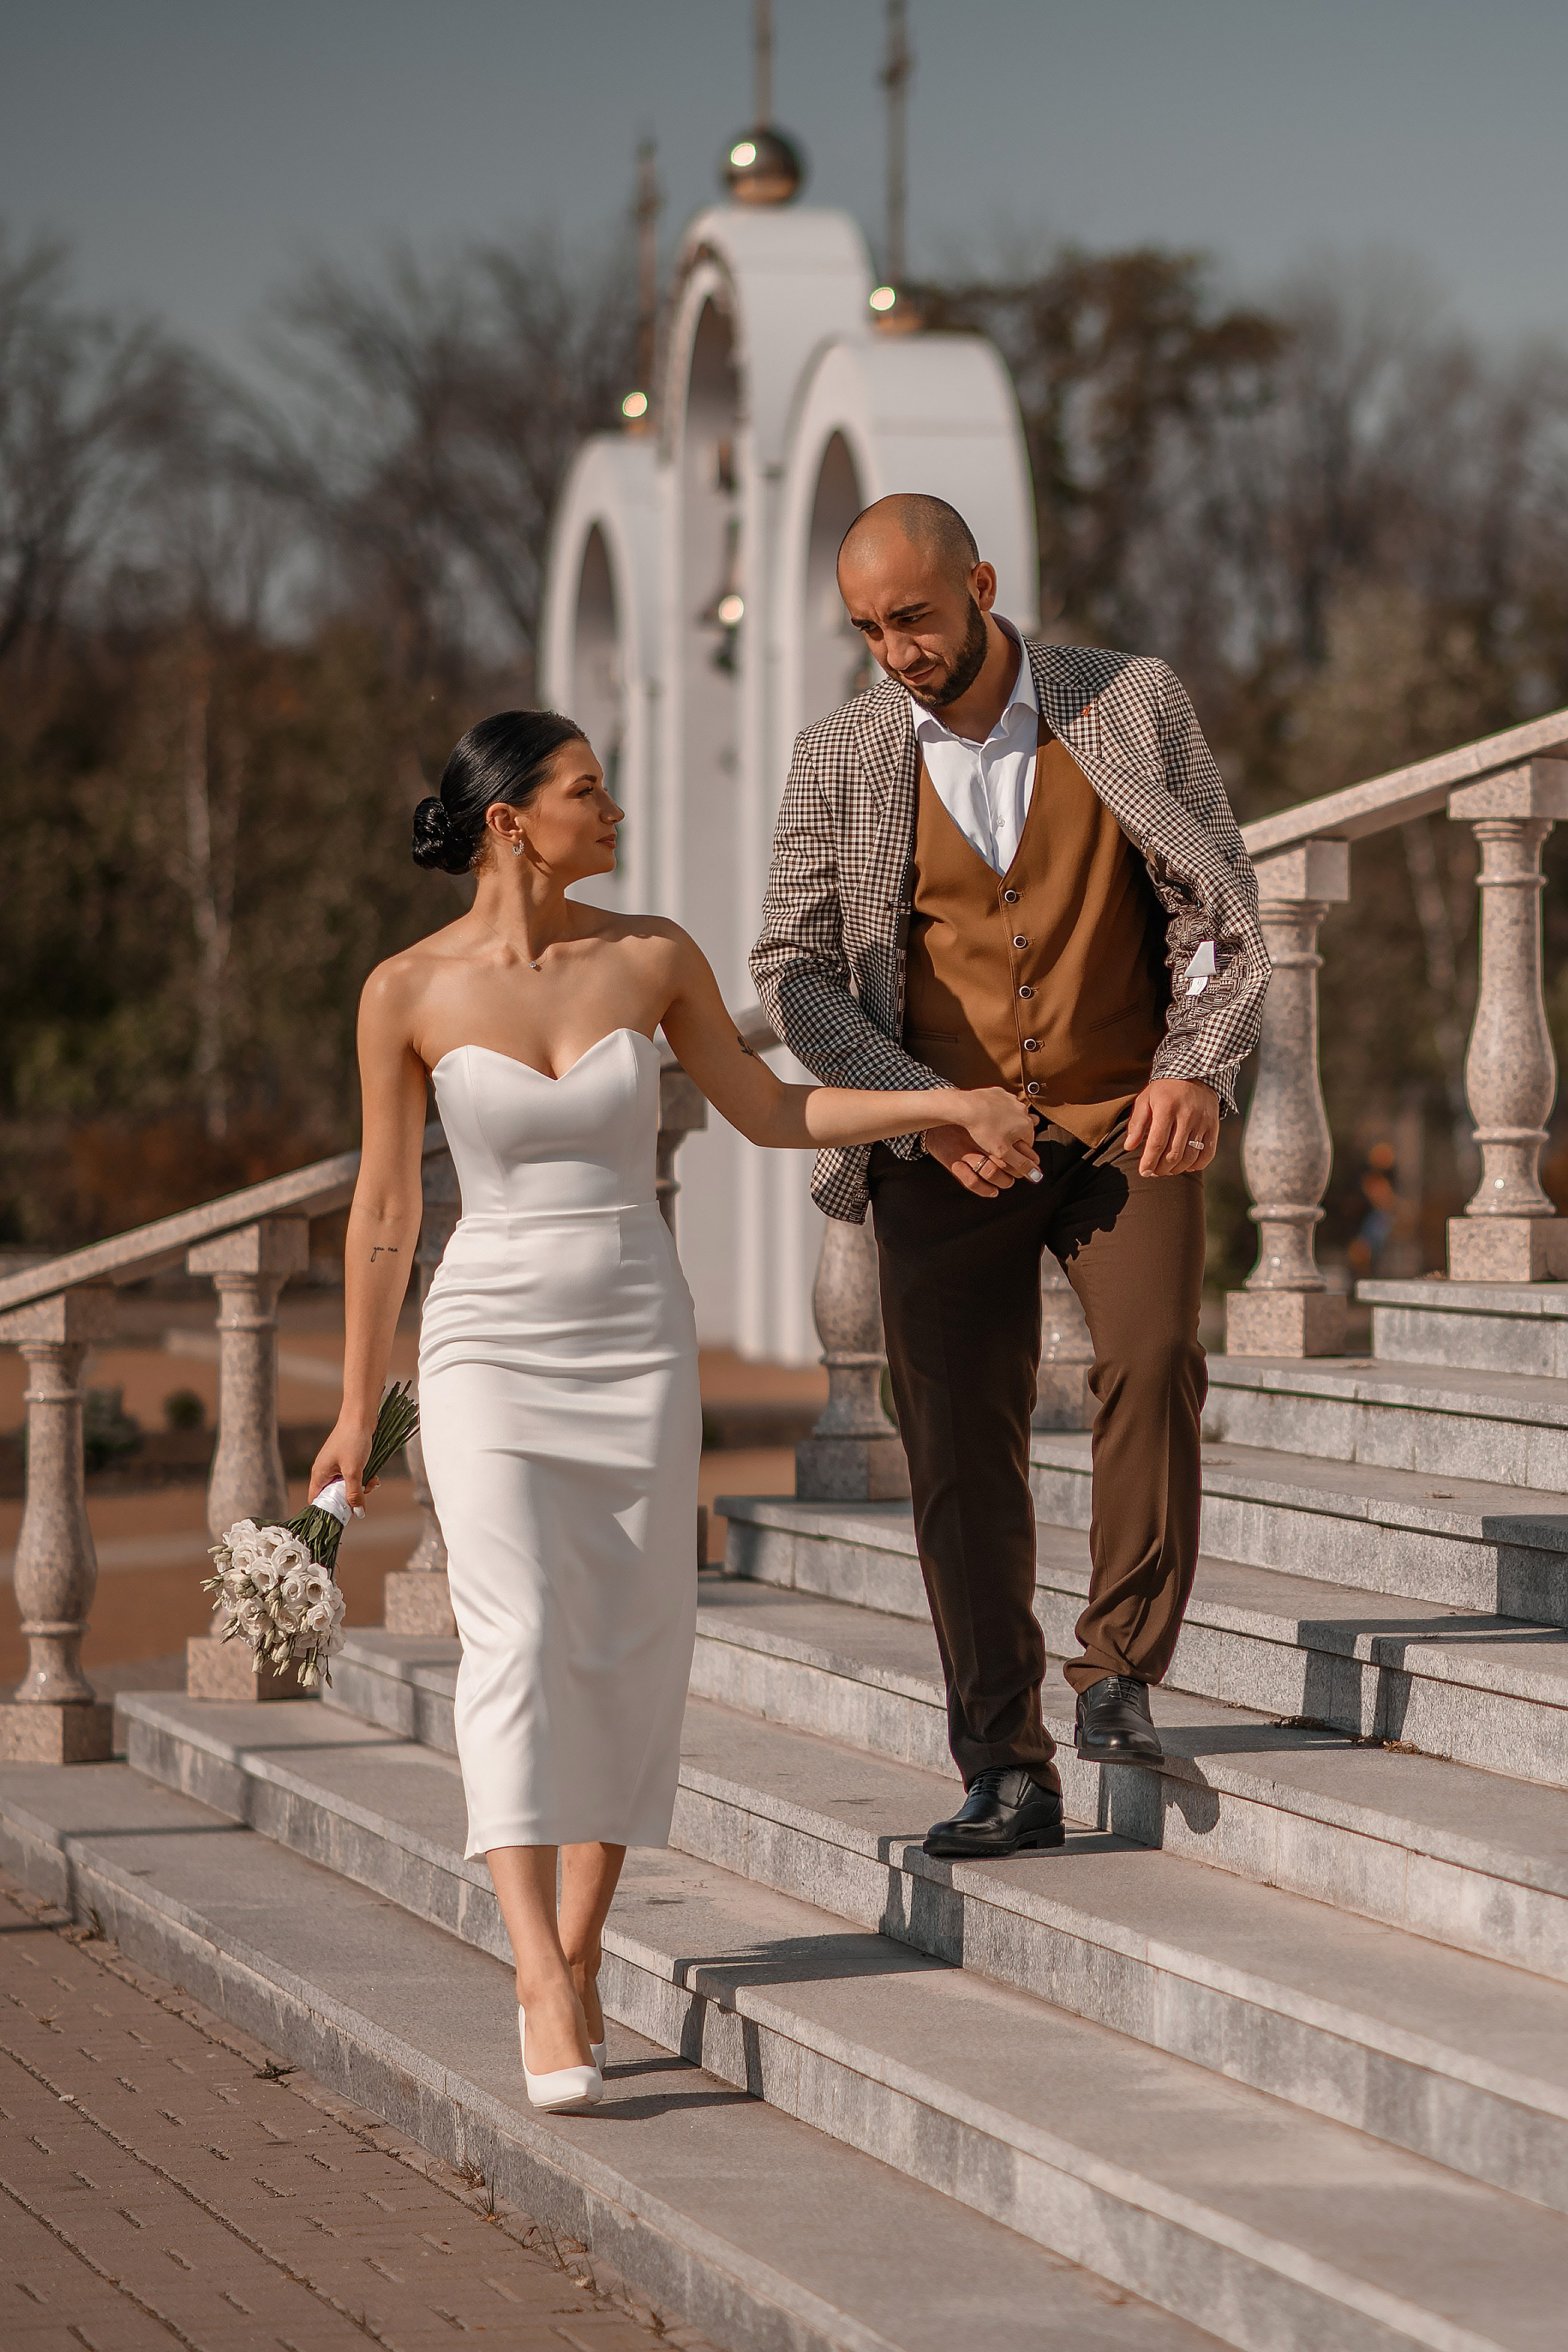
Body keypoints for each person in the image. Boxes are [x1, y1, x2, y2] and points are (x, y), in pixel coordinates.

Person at [310, 708, 1040, 2111]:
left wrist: (933, 1105)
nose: (617, 812)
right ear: (512, 820)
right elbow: (387, 1210)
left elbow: (767, 1112)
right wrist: (357, 1406)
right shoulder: (401, 990)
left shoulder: (651, 958)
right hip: (487, 1345)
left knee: (633, 1643)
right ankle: (532, 1967)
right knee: (516, 1635)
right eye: (591, 791)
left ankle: (583, 1950)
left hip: (635, 1337)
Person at [752, 493, 1269, 1861]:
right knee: (953, 1446)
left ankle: (1116, 1674)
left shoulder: (1127, 703)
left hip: (1122, 1121)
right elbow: (792, 974)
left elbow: (1217, 914)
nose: (895, 651)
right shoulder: (840, 755)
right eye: (867, 629)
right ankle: (1004, 1763)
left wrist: (1193, 1066)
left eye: (913, 617)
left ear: (978, 583)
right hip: (940, 1152)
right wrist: (922, 1111)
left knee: (1153, 1358)